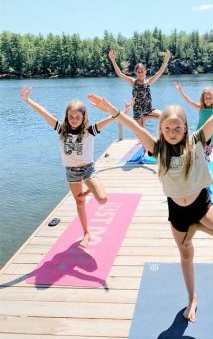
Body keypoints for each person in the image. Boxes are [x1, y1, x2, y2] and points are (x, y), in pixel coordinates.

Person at [87, 73, 213, 322]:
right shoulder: (157, 148)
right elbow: (135, 126)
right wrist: (114, 112)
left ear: (185, 128)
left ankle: (198, 228)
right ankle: (192, 298)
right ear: (160, 129)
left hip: (202, 207)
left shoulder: (196, 141)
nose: (172, 132)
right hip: (177, 214)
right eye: (167, 128)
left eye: (177, 127)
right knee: (185, 254)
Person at [21, 86, 133, 248]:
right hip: (71, 172)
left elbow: (112, 119)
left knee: (102, 199)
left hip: (88, 169)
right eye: (70, 116)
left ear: (83, 117)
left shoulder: (90, 131)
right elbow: (44, 113)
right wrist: (28, 100)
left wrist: (124, 111)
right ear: (67, 117)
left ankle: (89, 191)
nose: (73, 119)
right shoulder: (62, 129)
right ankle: (86, 232)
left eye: (77, 117)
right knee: (79, 203)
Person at [108, 49, 171, 127]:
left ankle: (146, 117)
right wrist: (113, 61)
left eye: (142, 71)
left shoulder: (148, 82)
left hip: (149, 110)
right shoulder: (133, 82)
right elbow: (120, 74)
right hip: (138, 113)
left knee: (165, 117)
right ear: (135, 73)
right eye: (138, 72)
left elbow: (160, 72)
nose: (140, 73)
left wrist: (167, 59)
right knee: (141, 134)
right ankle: (143, 118)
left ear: (145, 72)